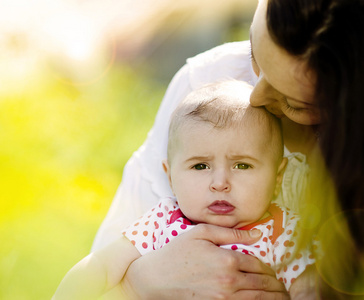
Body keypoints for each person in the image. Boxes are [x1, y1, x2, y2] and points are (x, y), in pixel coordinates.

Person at [92, 0, 364, 299]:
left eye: (295, 102)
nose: (254, 96)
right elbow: (100, 271)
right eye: (256, 54)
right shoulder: (207, 85)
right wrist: (137, 285)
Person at [53, 80, 317, 299]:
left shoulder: (285, 231)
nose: (220, 182)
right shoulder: (162, 220)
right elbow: (100, 266)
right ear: (171, 177)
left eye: (242, 166)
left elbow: (309, 290)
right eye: (201, 166)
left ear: (278, 175)